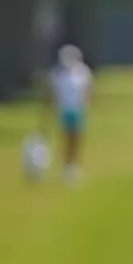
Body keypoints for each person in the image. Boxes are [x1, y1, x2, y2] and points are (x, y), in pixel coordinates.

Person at [46, 44, 93, 184]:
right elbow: (55, 94)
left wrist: (86, 106)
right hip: (65, 110)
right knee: (66, 139)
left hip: (78, 110)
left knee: (77, 139)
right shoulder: (58, 74)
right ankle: (66, 166)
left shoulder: (82, 72)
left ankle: (73, 166)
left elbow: (87, 91)